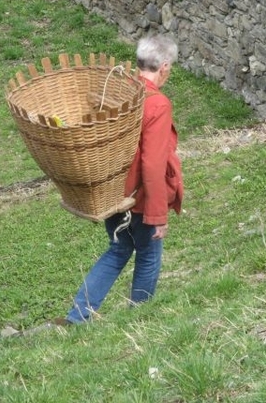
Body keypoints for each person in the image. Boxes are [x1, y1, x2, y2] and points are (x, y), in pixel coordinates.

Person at [57, 34, 184, 325]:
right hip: (139, 198)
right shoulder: (157, 104)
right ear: (163, 67)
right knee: (149, 254)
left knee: (119, 248)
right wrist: (158, 214)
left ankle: (78, 316)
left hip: (110, 190)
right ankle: (139, 319)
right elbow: (152, 164)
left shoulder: (117, 89)